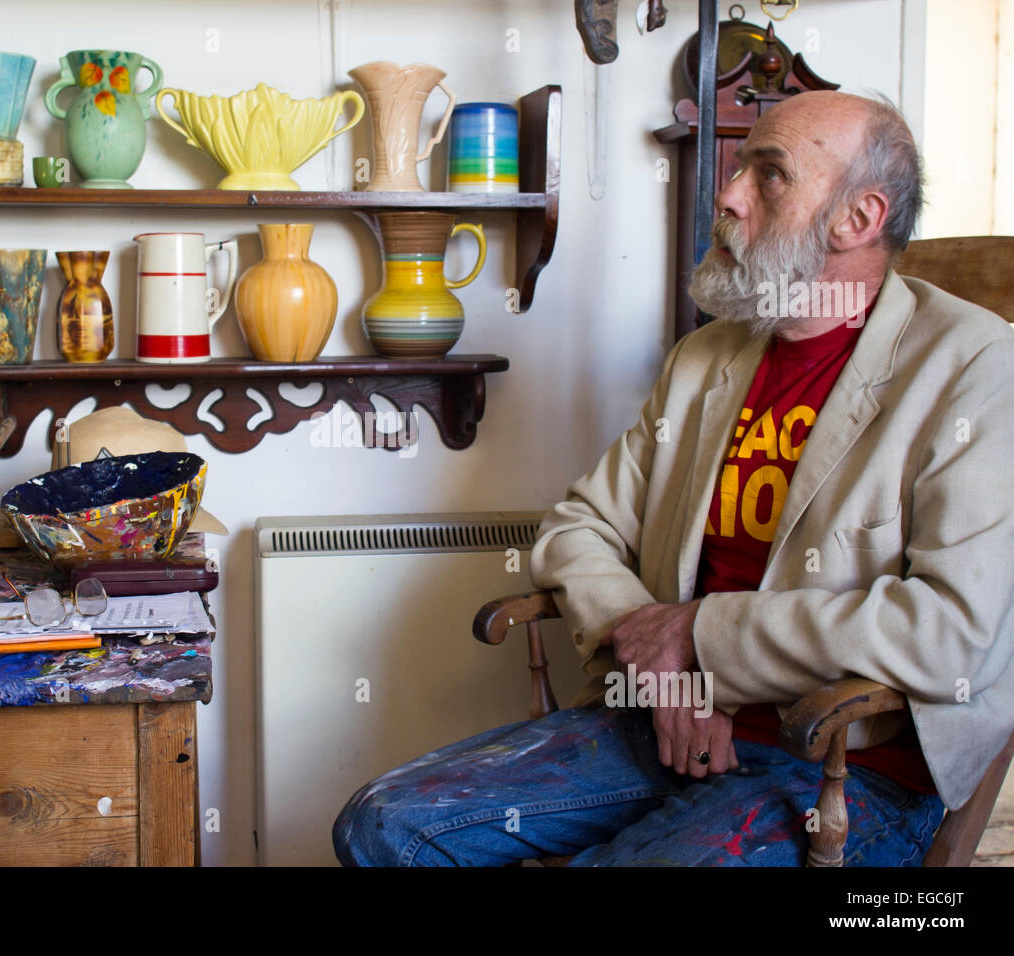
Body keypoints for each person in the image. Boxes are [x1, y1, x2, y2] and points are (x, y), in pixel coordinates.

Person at [332, 90, 1014, 866]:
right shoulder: (707, 359)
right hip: (661, 725)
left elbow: (950, 635)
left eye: (770, 175)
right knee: (382, 825)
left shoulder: (976, 368)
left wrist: (697, 636)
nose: (727, 194)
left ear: (857, 219)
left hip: (842, 770)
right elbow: (580, 528)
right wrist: (662, 669)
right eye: (739, 167)